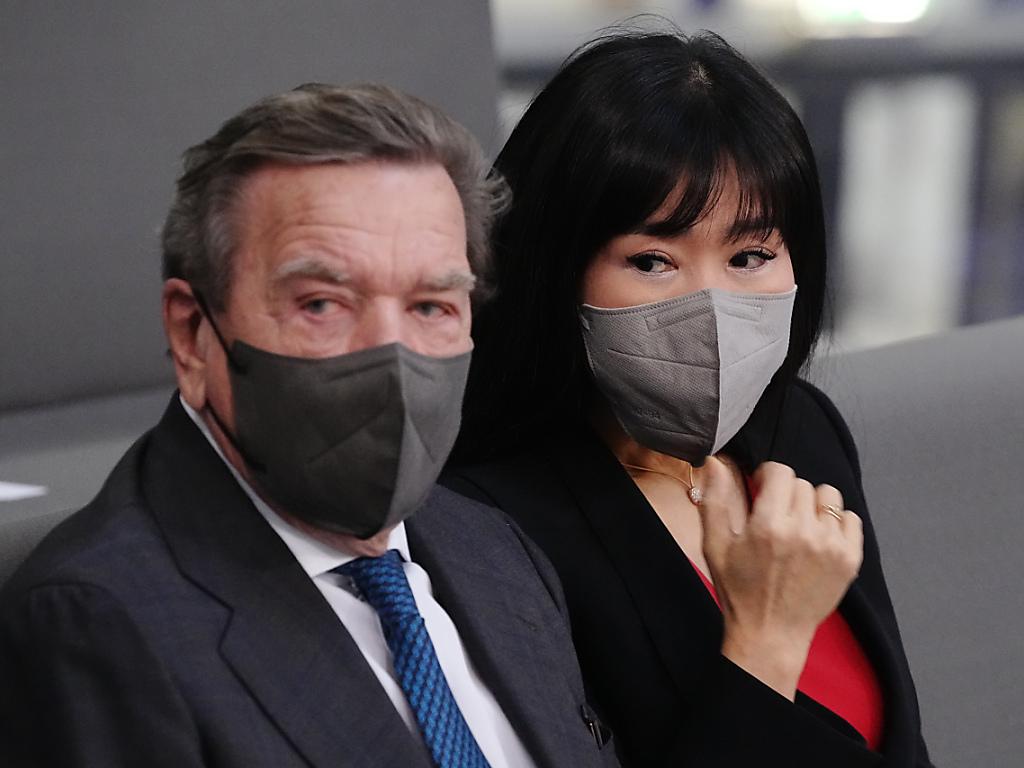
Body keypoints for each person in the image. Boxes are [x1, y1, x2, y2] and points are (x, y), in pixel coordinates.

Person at [0, 83, 619, 768]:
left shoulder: (497, 549)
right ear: (192, 334)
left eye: (431, 306)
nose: (392, 356)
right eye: (322, 304)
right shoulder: (101, 627)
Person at [445, 31, 934, 767]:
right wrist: (767, 638)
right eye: (653, 261)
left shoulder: (802, 429)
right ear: (553, 267)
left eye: (750, 256)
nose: (711, 305)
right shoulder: (485, 526)